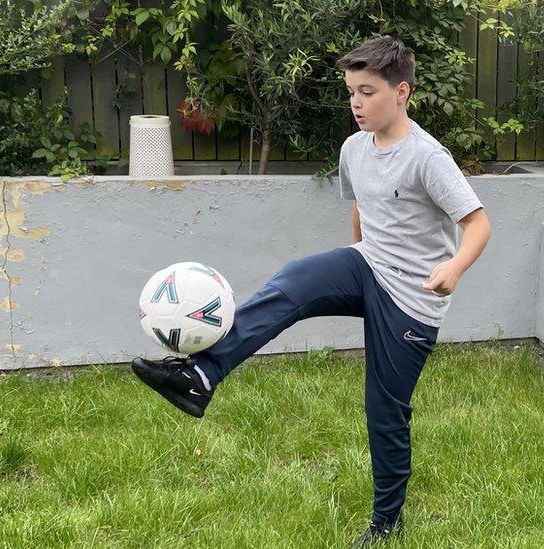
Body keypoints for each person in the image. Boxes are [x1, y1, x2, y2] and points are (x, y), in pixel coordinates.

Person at [131, 35, 492, 547]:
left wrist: (453, 267)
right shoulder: (354, 148)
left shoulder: (428, 157)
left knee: (385, 411)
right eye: (351, 93)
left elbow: (477, 224)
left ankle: (386, 523)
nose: (356, 104)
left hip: (414, 297)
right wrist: (353, 260)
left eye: (367, 92)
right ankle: (202, 376)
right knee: (295, 282)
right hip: (368, 267)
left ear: (402, 92)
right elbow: (360, 206)